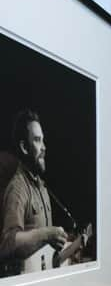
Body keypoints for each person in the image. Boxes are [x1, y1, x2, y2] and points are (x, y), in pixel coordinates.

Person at [0, 109, 67, 276]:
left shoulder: (42, 188)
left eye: (43, 140)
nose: (44, 147)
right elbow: (7, 243)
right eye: (37, 140)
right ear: (24, 147)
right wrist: (47, 234)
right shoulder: (18, 187)